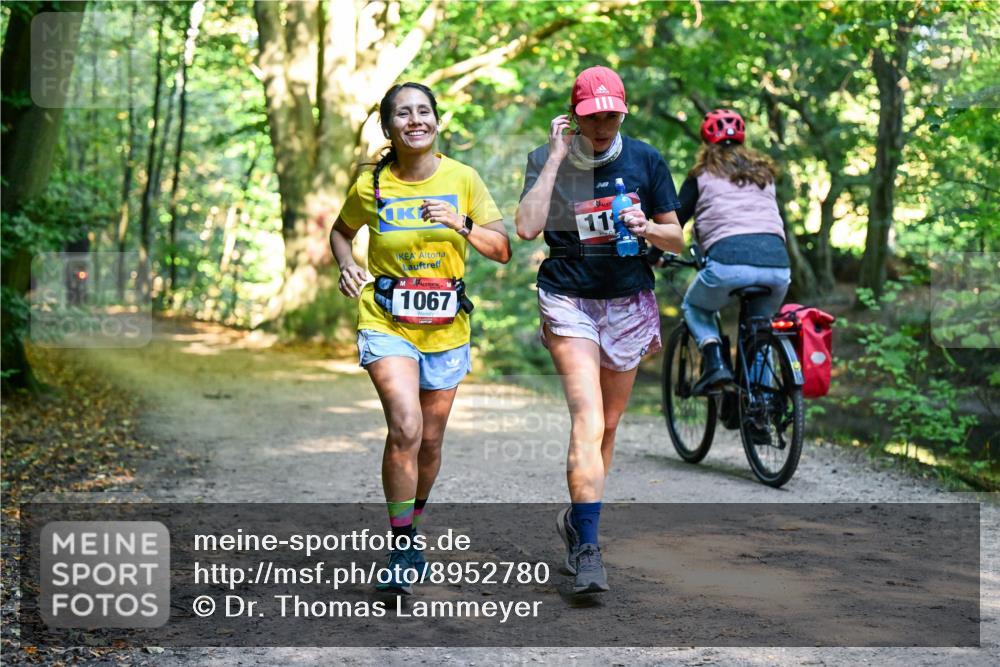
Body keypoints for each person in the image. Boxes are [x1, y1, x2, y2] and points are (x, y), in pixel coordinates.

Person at [329, 82, 511, 594]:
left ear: (436, 121)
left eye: (424, 112)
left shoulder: (463, 178)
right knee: (406, 427)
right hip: (385, 319)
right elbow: (341, 232)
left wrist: (462, 222)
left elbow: (500, 249)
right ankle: (402, 542)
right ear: (389, 127)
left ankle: (412, 531)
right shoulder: (373, 186)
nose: (415, 121)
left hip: (447, 326)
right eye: (403, 114)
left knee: (430, 440)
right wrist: (348, 266)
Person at [515, 66, 684, 594]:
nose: (603, 122)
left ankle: (578, 521)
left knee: (608, 426)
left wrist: (647, 227)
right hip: (568, 298)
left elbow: (676, 239)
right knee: (587, 418)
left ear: (623, 110)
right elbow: (525, 227)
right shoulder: (547, 160)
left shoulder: (645, 159)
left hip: (628, 300)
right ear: (575, 115)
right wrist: (556, 160)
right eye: (593, 114)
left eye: (612, 113)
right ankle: (589, 548)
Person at [651, 108, 791, 398]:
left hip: (728, 263)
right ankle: (762, 407)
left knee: (696, 307)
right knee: (760, 331)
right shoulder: (764, 175)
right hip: (778, 266)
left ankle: (715, 363)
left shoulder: (701, 175)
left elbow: (675, 222)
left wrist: (653, 255)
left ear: (707, 144)